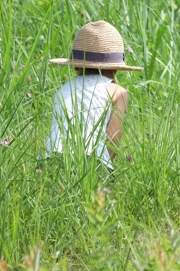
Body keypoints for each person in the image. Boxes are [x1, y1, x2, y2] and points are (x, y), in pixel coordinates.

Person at [45, 19, 141, 169]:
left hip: (51, 160)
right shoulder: (117, 92)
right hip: (91, 161)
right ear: (115, 69)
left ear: (76, 67)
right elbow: (113, 137)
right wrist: (107, 167)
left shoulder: (63, 90)